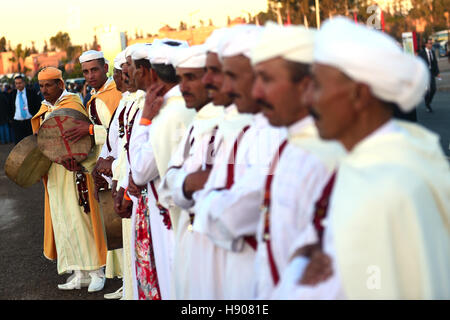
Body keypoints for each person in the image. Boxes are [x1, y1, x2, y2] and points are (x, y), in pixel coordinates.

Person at [277, 17, 450, 299]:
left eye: (317, 86)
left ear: (359, 94)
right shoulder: (396, 154)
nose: (307, 99)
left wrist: (299, 269)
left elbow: (375, 287)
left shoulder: (383, 185)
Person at [249, 22, 344, 300]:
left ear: (305, 85)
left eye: (266, 80)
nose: (256, 93)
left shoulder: (328, 156)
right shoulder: (290, 144)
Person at [192, 24, 287, 299]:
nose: (214, 83)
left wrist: (206, 200)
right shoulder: (248, 130)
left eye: (229, 75)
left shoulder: (277, 134)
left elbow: (232, 216)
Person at [128, 39, 195, 299]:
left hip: (172, 216)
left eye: (133, 68)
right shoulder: (182, 106)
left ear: (150, 72)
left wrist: (144, 121)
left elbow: (141, 170)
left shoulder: (168, 111)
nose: (130, 74)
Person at [30, 67, 108, 293]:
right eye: (41, 86)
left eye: (49, 85)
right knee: (63, 222)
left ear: (61, 85)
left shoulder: (72, 104)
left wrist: (75, 159)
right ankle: (78, 272)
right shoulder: (45, 108)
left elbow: (84, 138)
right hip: (54, 174)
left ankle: (96, 271)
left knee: (81, 220)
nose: (44, 90)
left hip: (75, 173)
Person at [158, 44, 224, 299]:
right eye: (181, 78)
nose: (183, 87)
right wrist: (187, 183)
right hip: (191, 241)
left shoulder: (230, 123)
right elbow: (168, 187)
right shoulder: (198, 122)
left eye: (191, 78)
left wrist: (182, 182)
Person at [8, 75, 42, 144]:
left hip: (29, 122)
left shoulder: (31, 92)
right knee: (19, 144)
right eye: (16, 83)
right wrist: (11, 120)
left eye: (20, 83)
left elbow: (38, 105)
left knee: (32, 143)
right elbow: (9, 107)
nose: (18, 85)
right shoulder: (12, 94)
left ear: (24, 83)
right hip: (17, 123)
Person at [418, 38, 440, 112]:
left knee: (433, 89)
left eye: (431, 43)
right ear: (426, 44)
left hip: (431, 73)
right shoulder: (421, 53)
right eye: (430, 43)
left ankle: (428, 102)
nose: (431, 45)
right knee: (427, 90)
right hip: (424, 73)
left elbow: (435, 63)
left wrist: (437, 73)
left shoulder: (432, 52)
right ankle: (427, 104)